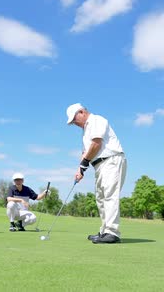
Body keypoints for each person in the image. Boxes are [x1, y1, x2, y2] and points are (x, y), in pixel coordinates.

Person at [66, 103, 127, 244]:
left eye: (74, 120)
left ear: (81, 112)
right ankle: (104, 231)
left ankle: (112, 232)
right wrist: (80, 169)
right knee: (100, 198)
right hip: (99, 165)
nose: (74, 123)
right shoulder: (85, 131)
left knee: (109, 195)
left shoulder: (96, 120)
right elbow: (85, 152)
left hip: (111, 160)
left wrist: (84, 163)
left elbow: (96, 144)